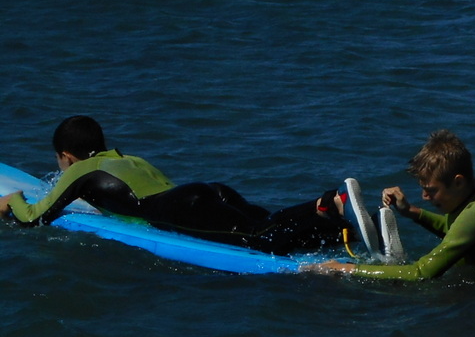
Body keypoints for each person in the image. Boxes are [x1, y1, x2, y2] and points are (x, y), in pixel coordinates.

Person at [0, 114, 354, 255]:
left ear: (66, 156)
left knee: (258, 240)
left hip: (182, 206)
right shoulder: (127, 158)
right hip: (205, 191)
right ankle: (341, 231)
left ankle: (322, 205)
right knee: (266, 224)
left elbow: (34, 217)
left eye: (59, 160)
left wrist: (11, 200)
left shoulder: (79, 172)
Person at [307, 130, 475, 281]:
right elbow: (454, 228)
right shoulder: (471, 203)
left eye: (431, 190)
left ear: (458, 182)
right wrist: (410, 211)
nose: (425, 197)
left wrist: (346, 269)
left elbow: (421, 273)